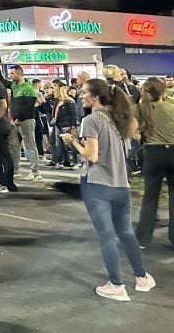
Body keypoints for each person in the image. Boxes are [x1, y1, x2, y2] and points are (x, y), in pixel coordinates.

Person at [62, 79, 155, 300]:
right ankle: (141, 278)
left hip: (98, 185)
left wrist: (73, 142)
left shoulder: (91, 120)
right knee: (126, 232)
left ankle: (116, 285)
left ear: (95, 97)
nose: (81, 95)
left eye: (84, 92)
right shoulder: (118, 119)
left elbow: (92, 156)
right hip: (121, 185)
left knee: (106, 235)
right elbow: (137, 134)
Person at [135, 77, 174, 250]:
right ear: (163, 92)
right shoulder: (171, 108)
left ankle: (143, 239)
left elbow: (133, 133)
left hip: (152, 153)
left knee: (150, 197)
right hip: (172, 151)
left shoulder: (138, 109)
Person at [4, 65, 42, 181]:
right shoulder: (14, 85)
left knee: (30, 145)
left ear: (19, 74)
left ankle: (35, 172)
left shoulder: (29, 89)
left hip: (26, 120)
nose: (10, 76)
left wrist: (20, 119)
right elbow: (2, 81)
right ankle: (15, 170)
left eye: (12, 74)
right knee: (15, 146)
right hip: (15, 121)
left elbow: (30, 108)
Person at [50, 81, 79, 168]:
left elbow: (73, 115)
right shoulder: (56, 101)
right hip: (58, 125)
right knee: (59, 144)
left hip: (67, 125)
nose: (54, 93)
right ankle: (60, 162)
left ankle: (75, 162)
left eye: (55, 91)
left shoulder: (69, 102)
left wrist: (73, 126)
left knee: (71, 144)